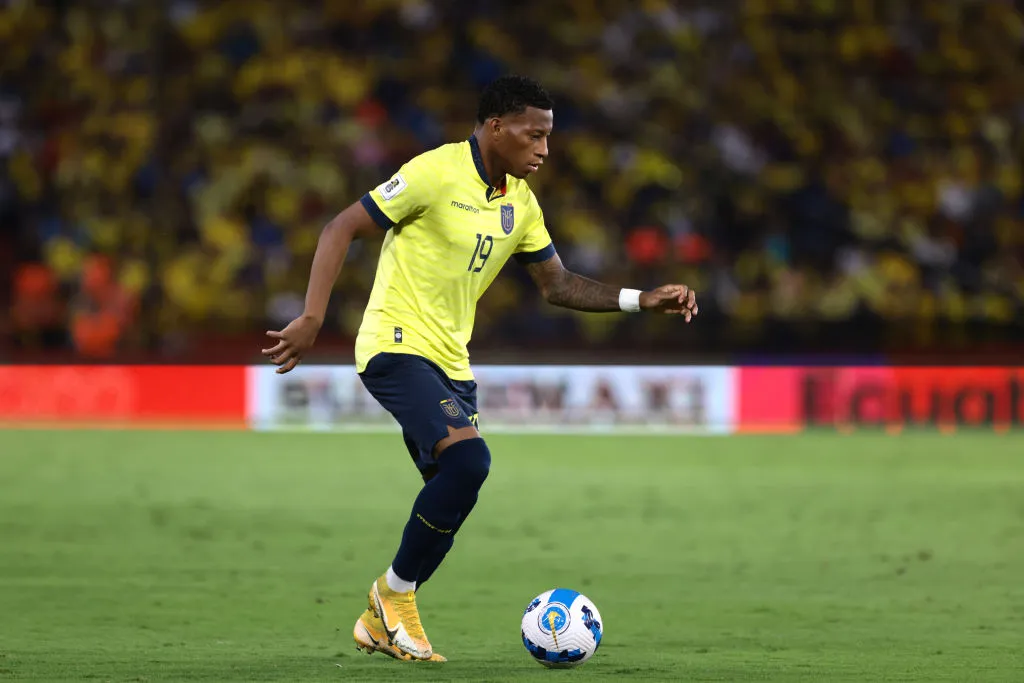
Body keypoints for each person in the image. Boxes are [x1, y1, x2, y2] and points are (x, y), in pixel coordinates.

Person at [261, 75, 698, 662]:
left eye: (549, 137)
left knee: (457, 488)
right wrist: (312, 316)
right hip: (395, 345)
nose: (545, 148)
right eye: (534, 135)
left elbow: (558, 284)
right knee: (469, 459)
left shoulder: (521, 202)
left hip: (451, 364)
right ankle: (391, 600)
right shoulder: (434, 173)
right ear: (497, 127)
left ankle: (386, 610)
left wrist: (640, 299)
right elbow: (341, 227)